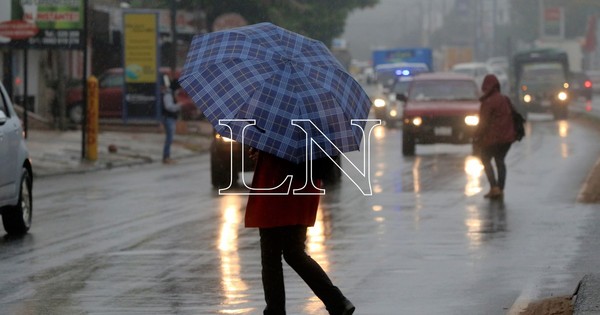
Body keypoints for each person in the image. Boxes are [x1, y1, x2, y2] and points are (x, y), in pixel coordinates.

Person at [245, 148, 355, 315]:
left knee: (271, 255)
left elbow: (278, 145)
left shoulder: (277, 122)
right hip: (302, 186)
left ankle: (276, 310)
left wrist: (262, 151)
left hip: (277, 182)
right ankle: (337, 302)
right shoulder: (316, 123)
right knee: (293, 252)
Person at [473, 74, 517, 199]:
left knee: (485, 160)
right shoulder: (505, 99)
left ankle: (494, 187)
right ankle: (500, 188)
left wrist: (476, 136)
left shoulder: (488, 102)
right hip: (507, 138)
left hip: (492, 138)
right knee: (500, 161)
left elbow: (483, 122)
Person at [162, 79, 182, 164]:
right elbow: (169, 106)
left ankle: (167, 156)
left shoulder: (171, 94)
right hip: (168, 118)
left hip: (170, 118)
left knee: (169, 139)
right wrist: (179, 106)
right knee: (169, 139)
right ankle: (166, 157)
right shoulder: (168, 94)